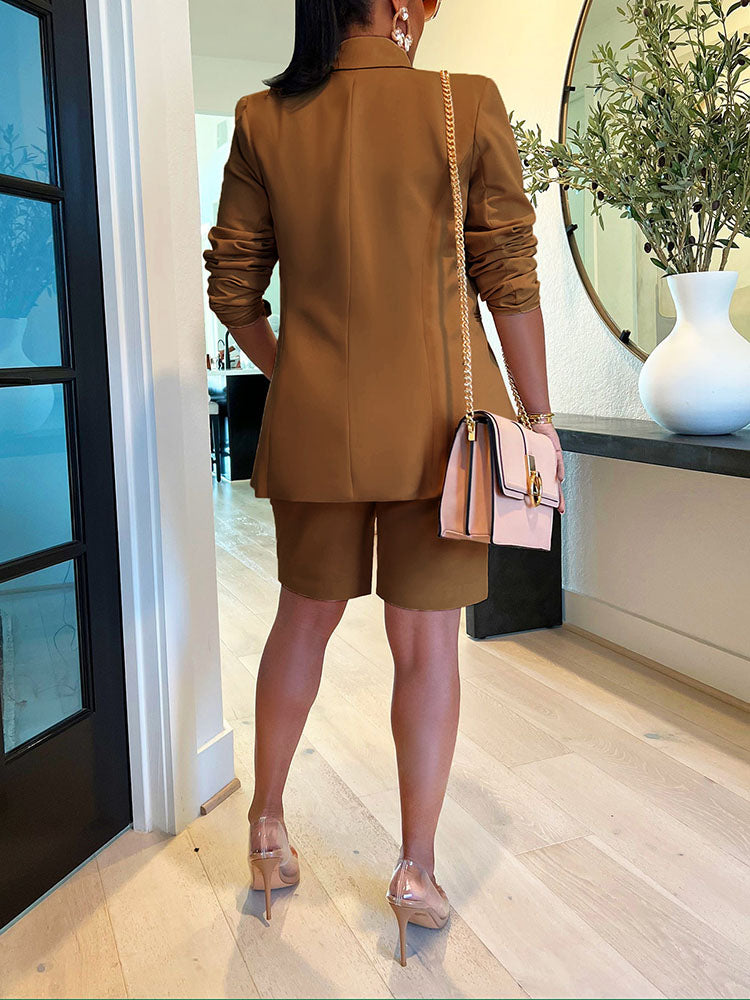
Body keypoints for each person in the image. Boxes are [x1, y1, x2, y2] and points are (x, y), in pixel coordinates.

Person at [204, 0, 565, 967]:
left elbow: (234, 291)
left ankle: (268, 831)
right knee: (427, 647)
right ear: (401, 6)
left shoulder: (261, 118)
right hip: (443, 434)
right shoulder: (464, 101)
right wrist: (539, 419)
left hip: (318, 431)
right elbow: (509, 277)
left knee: (301, 622)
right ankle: (415, 871)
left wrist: (299, 376)